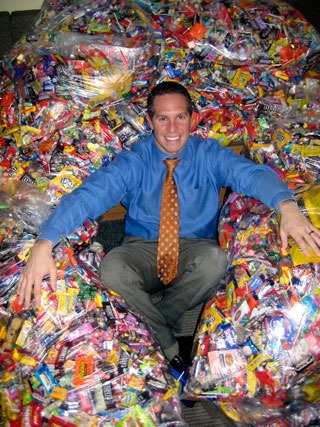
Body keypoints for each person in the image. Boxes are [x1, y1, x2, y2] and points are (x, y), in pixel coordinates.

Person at [18, 81, 320, 374]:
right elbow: (89, 195)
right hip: (143, 248)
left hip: (194, 246)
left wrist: (287, 206)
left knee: (216, 261)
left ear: (193, 119)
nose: (173, 129)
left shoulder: (208, 154)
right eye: (163, 119)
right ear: (150, 121)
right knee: (111, 268)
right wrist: (44, 242)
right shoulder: (134, 160)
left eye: (180, 117)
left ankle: (150, 328)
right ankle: (170, 346)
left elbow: (251, 174)